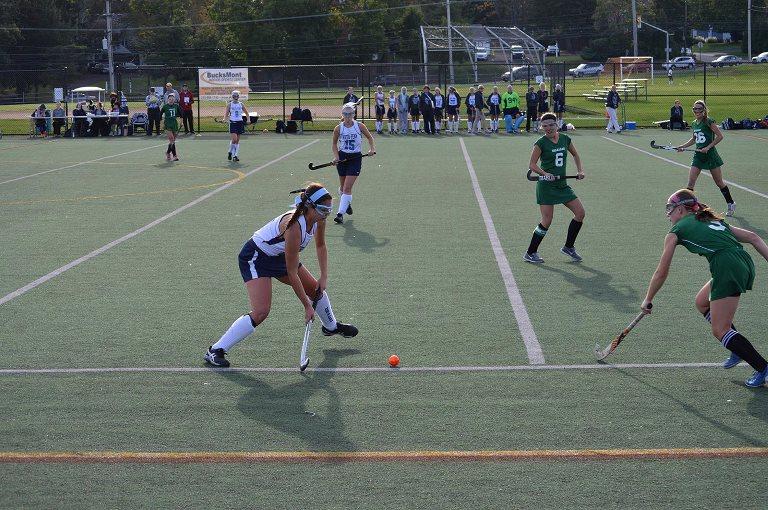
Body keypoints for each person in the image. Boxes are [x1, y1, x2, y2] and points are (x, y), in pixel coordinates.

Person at [204, 182, 359, 368]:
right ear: (309, 206)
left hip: (278, 256)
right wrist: (306, 306)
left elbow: (321, 246)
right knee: (261, 311)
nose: (326, 213)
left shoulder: (319, 219)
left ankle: (331, 327)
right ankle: (215, 350)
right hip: (256, 257)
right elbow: (292, 273)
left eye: (329, 209)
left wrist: (323, 276)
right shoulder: (293, 227)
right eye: (323, 209)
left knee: (315, 290)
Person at [640, 189, 768, 387]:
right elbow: (753, 237)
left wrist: (648, 298)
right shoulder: (710, 219)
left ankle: (763, 368)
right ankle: (736, 348)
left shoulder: (676, 231)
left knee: (719, 330)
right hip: (741, 262)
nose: (668, 214)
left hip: (727, 267)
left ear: (681, 210)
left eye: (670, 209)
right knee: (702, 302)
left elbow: (661, 272)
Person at [524, 112, 586, 264]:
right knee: (547, 220)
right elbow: (532, 165)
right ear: (541, 127)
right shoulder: (541, 143)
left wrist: (580, 171)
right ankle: (530, 252)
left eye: (551, 125)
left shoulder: (565, 139)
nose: (548, 128)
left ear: (557, 124)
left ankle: (568, 247)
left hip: (561, 185)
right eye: (545, 126)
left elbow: (575, 155)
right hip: (546, 186)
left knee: (580, 213)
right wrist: (545, 173)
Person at [675, 100, 733, 216]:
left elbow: (720, 136)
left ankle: (731, 203)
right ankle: (689, 209)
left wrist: (708, 147)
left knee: (719, 182)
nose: (696, 111)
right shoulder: (694, 123)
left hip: (710, 155)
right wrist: (682, 147)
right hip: (698, 156)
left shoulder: (708, 121)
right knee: (691, 183)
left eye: (699, 109)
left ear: (704, 110)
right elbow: (694, 139)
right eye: (694, 109)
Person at [331, 102, 376, 224]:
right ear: (342, 114)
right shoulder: (338, 128)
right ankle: (346, 203)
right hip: (342, 157)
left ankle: (340, 214)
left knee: (347, 187)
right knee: (342, 187)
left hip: (355, 158)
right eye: (345, 114)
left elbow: (370, 138)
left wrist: (372, 149)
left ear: (353, 114)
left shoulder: (359, 126)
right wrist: (336, 157)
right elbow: (334, 144)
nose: (347, 116)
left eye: (350, 113)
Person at [224, 90, 249, 162]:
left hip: (240, 123)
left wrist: (248, 119)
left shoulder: (241, 104)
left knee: (237, 141)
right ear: (232, 97)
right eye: (234, 96)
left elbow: (247, 113)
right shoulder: (229, 104)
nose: (236, 97)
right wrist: (224, 119)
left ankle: (235, 155)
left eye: (237, 96)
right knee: (234, 140)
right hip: (233, 123)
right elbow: (226, 114)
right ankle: (230, 151)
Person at [161, 94, 181, 161]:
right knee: (172, 139)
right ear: (168, 100)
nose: (171, 100)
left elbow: (181, 115)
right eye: (170, 99)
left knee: (172, 141)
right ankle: (175, 156)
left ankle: (167, 153)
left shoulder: (176, 106)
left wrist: (182, 122)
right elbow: (159, 115)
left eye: (173, 99)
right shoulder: (165, 106)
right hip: (167, 124)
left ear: (174, 100)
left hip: (174, 124)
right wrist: (162, 124)